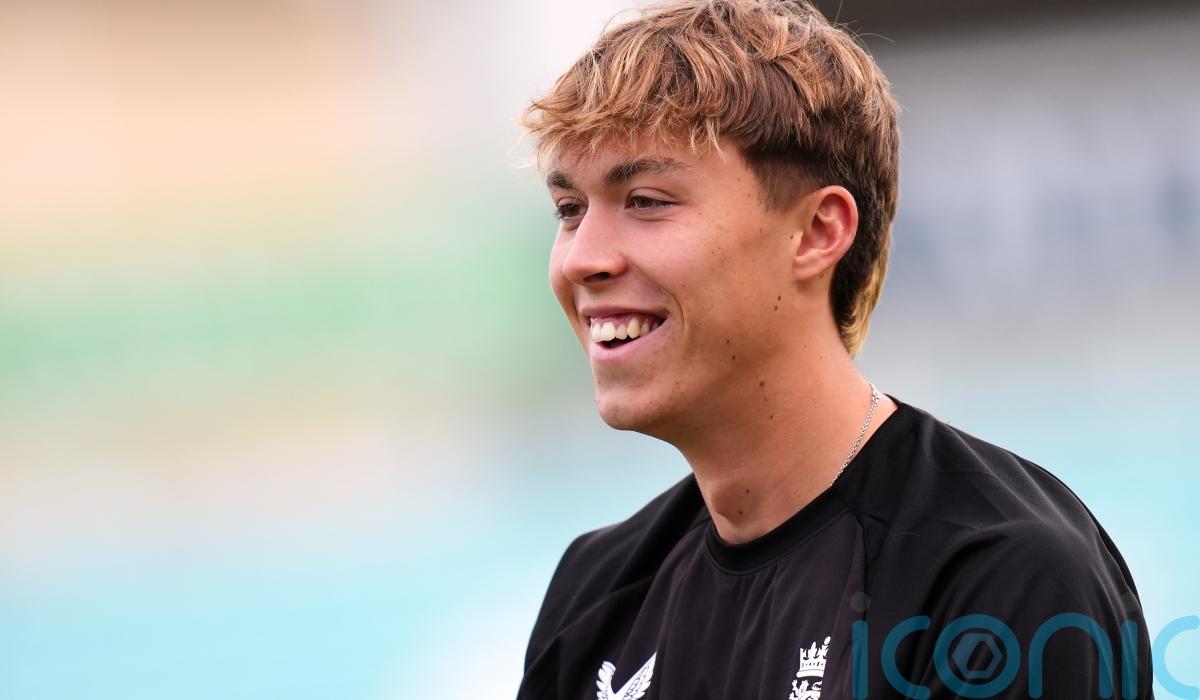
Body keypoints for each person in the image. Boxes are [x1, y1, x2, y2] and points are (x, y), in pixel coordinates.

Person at [515, 1, 1153, 697]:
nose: (582, 259)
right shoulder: (596, 592)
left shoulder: (998, 574)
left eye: (645, 200)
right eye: (570, 210)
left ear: (818, 232)